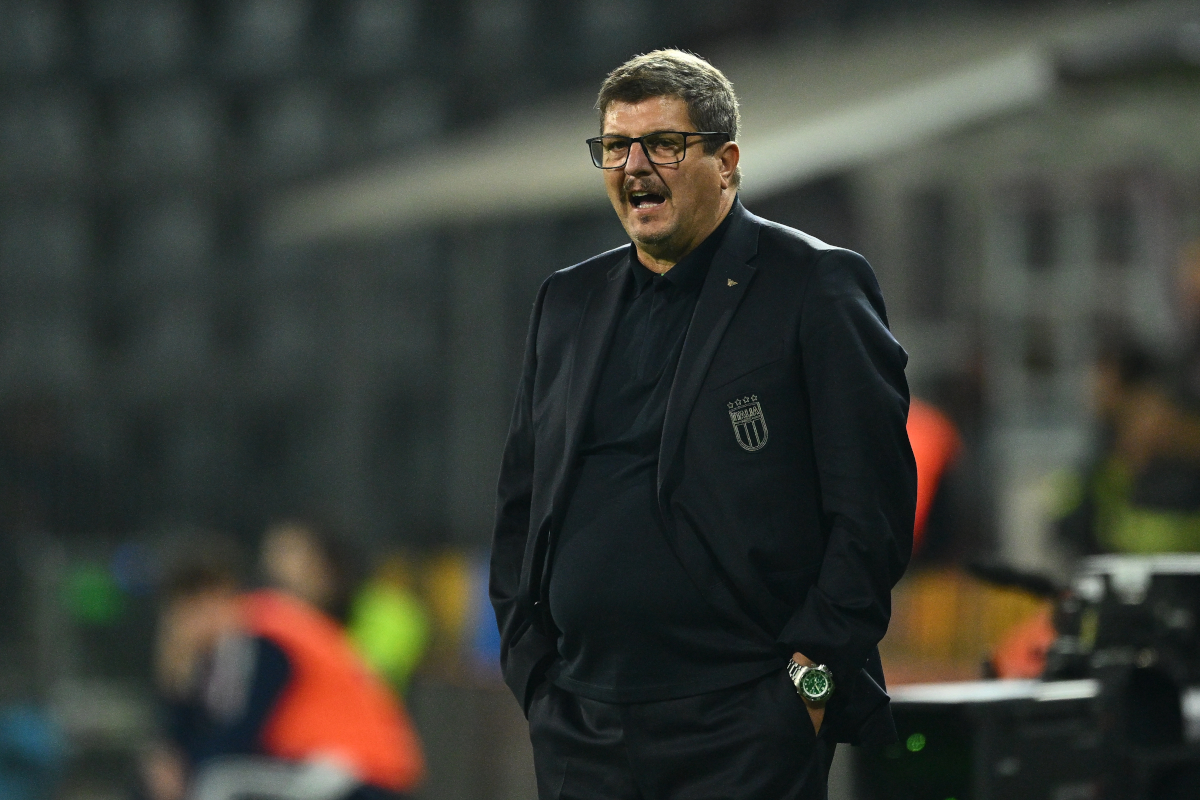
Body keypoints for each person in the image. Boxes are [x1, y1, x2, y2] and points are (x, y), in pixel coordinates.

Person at [490, 50, 915, 800]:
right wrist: (533, 672)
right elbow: (523, 502)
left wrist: (804, 693)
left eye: (663, 144)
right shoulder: (568, 301)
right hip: (581, 722)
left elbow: (871, 515)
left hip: (743, 724)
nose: (634, 167)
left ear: (727, 161)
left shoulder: (813, 285)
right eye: (615, 147)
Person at [148, 544, 424, 800]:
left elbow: (242, 730)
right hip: (328, 767)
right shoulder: (231, 643)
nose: (190, 623)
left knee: (220, 782)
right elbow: (199, 731)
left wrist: (185, 766)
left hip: (358, 771)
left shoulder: (264, 633)